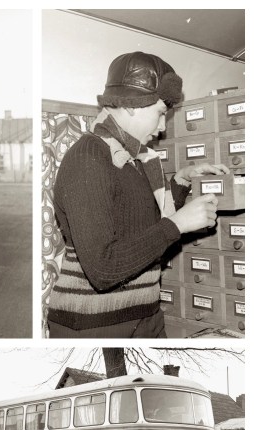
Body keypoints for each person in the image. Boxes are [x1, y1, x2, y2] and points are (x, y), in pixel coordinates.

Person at [47, 51, 229, 338]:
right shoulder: (89, 156)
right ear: (132, 105)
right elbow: (103, 269)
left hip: (145, 315)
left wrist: (181, 182)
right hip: (95, 325)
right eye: (160, 113)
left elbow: (144, 231)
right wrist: (178, 224)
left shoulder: (133, 158)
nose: (162, 127)